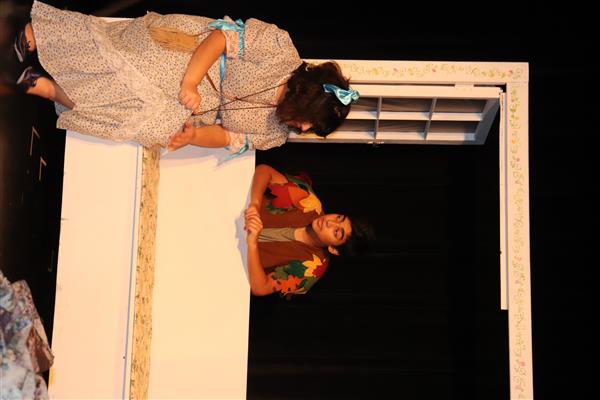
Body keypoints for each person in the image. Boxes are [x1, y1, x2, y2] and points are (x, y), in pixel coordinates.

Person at [10, 1, 359, 156]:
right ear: (308, 98)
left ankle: (50, 89)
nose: (302, 129)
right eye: (309, 122)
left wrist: (193, 136)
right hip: (193, 59)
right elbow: (220, 38)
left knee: (153, 125)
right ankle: (42, 33)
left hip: (193, 107)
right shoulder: (280, 50)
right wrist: (190, 83)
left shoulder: (275, 134)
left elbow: (226, 136)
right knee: (145, 68)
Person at [244, 164, 373, 297]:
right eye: (339, 217)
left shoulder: (310, 271)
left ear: (334, 249)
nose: (330, 222)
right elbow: (265, 171)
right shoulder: (310, 203)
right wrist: (255, 204)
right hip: (235, 214)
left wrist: (252, 244)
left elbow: (261, 288)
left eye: (336, 232)